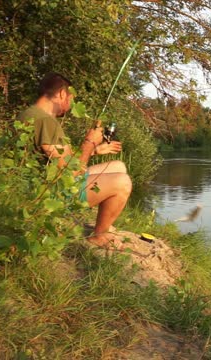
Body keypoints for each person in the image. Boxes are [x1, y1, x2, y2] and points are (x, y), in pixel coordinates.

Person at [18, 72, 132, 249]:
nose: (71, 105)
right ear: (62, 94)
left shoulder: (31, 114)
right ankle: (99, 236)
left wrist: (94, 150)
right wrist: (88, 143)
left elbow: (60, 159)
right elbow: (70, 174)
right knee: (122, 182)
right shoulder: (45, 121)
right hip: (48, 195)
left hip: (45, 183)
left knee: (118, 166)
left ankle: (104, 224)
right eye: (71, 99)